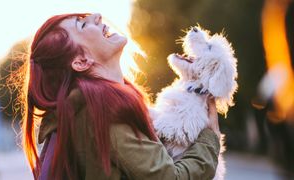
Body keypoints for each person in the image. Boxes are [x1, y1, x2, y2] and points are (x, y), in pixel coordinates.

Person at [22, 13, 221, 180]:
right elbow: (170, 177)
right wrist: (209, 138)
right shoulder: (104, 111)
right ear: (82, 61)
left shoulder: (88, 108)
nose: (96, 16)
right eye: (82, 24)